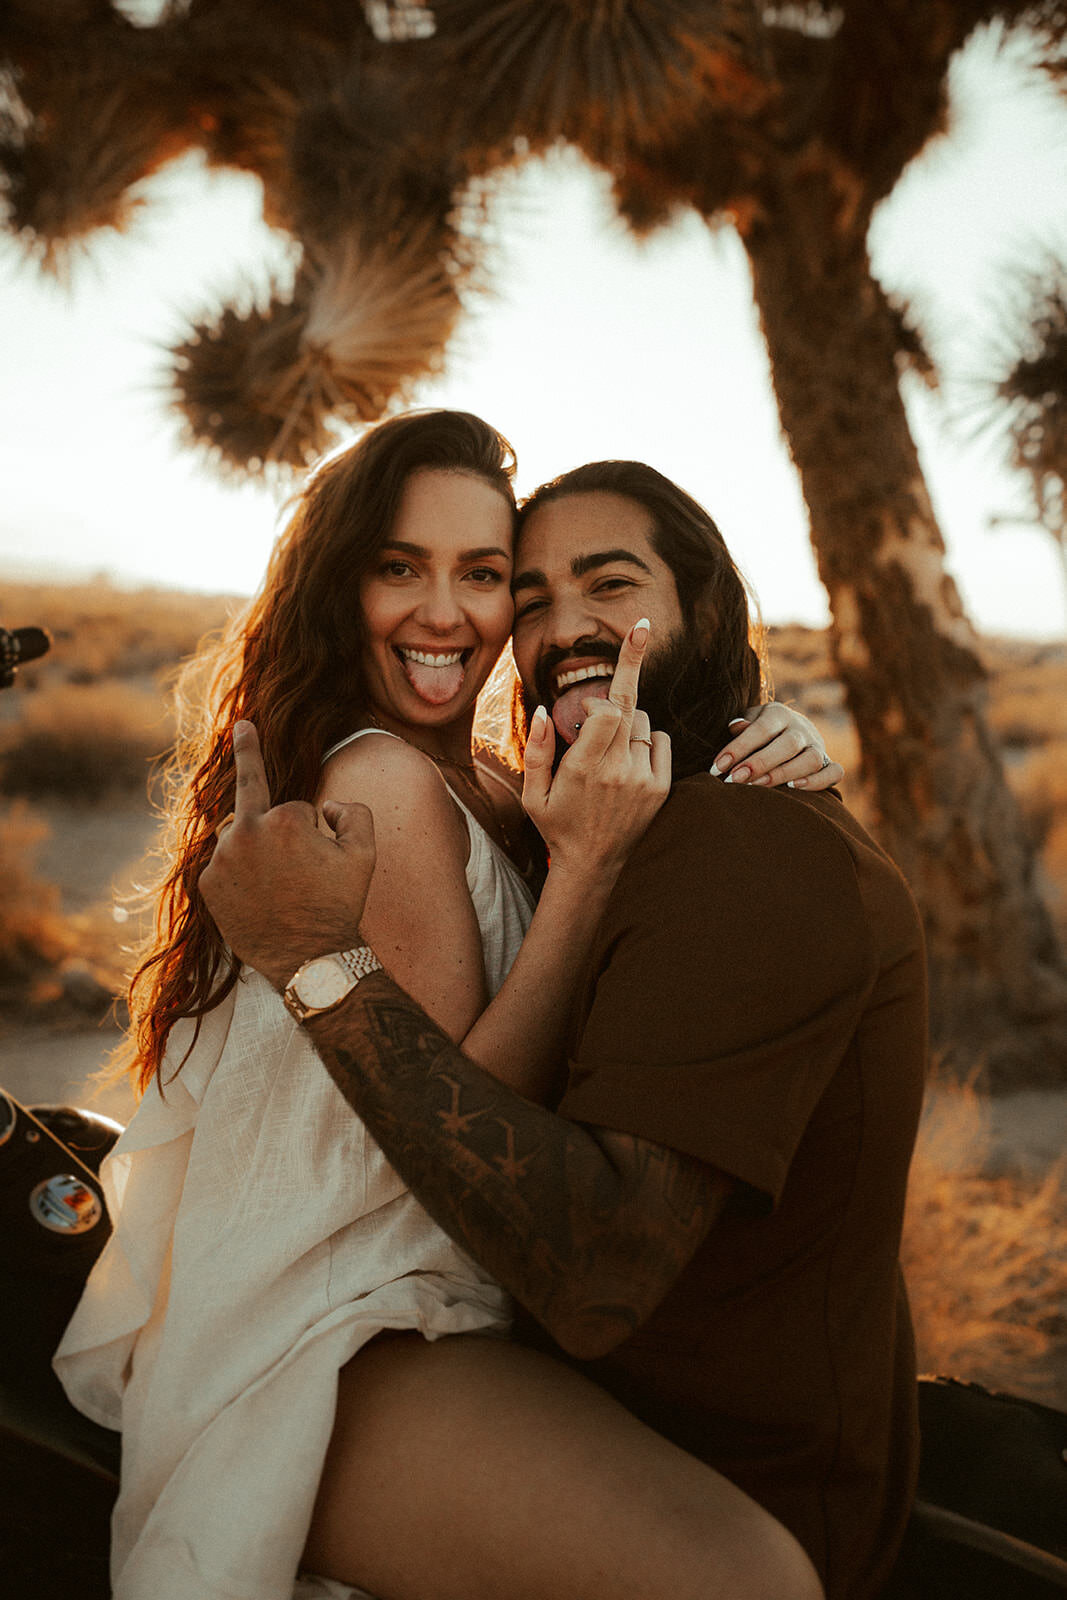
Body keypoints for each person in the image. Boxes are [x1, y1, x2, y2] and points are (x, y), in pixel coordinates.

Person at [55, 413, 836, 1600]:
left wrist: (758, 728)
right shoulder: (378, 783)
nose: (446, 612)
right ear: (338, 582)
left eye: (482, 575)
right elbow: (467, 1138)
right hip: (340, 1327)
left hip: (426, 1313)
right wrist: (582, 876)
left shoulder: (478, 778)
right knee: (741, 1581)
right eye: (399, 567)